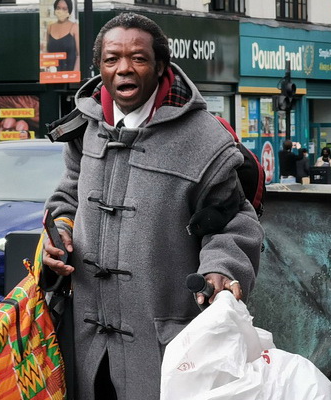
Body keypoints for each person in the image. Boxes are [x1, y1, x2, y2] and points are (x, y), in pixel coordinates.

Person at [41, 13, 263, 400]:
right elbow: (68, 197)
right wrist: (60, 231)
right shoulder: (86, 129)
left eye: (138, 58)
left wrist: (220, 268)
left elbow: (231, 222)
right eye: (112, 59)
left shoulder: (203, 140)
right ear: (100, 67)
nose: (124, 68)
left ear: (161, 66)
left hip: (167, 341)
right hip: (86, 341)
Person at [46, 0, 80, 71]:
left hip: (70, 74)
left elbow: (79, 55)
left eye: (64, 9)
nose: (60, 11)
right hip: (53, 75)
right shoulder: (50, 28)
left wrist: (74, 75)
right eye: (58, 8)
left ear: (69, 11)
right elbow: (47, 53)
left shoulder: (74, 27)